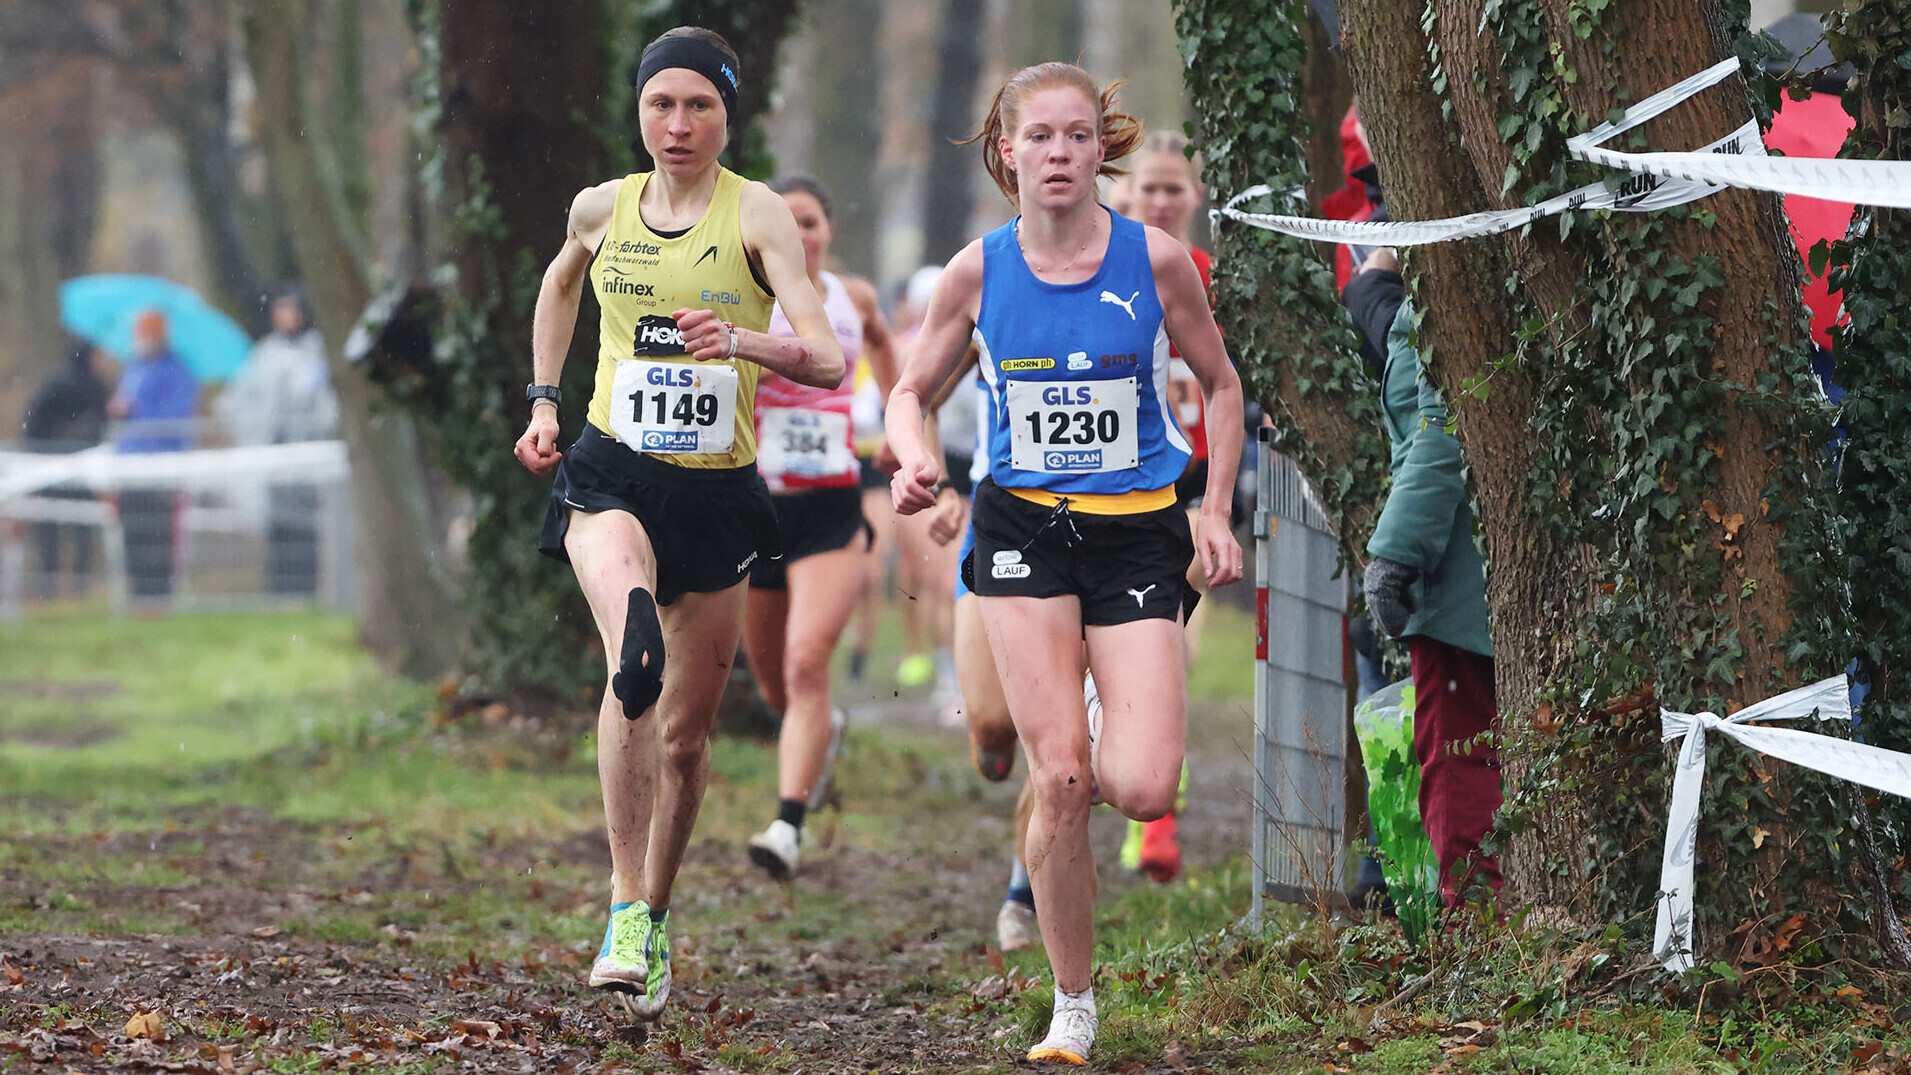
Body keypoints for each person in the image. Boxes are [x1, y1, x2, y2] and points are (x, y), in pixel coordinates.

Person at [886, 62, 1243, 1066]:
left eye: (1077, 136)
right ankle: (1072, 1003)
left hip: (1137, 532)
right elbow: (908, 391)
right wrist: (915, 458)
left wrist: (1212, 510)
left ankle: (1090, 724)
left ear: (1102, 148)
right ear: (1007, 151)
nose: (1057, 154)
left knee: (1143, 786)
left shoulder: (1157, 260)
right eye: (1037, 137)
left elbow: (1218, 385)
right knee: (1062, 777)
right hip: (1024, 532)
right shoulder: (977, 271)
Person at [512, 26, 845, 1023]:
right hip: (612, 467)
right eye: (662, 104)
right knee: (633, 660)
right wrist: (542, 402)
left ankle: (652, 919)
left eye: (698, 105)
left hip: (717, 492)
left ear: (727, 117)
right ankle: (620, 900)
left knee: (689, 744)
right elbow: (562, 279)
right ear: (640, 113)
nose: (678, 123)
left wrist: (740, 340)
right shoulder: (601, 207)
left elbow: (826, 357)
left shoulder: (761, 215)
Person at [742, 175, 898, 879]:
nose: (800, 235)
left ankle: (786, 826)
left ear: (828, 229)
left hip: (831, 507)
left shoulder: (852, 297)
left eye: (809, 222)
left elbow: (888, 350)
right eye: (786, 222)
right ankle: (821, 732)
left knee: (807, 663)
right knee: (776, 684)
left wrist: (899, 418)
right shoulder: (741, 293)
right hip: (754, 506)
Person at [1357, 258, 1503, 913]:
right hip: (1476, 570)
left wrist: (1394, 554)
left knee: (1457, 756)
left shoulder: (1448, 295)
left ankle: (1472, 927)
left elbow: (1437, 439)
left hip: (1456, 576)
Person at [219, 286, 339, 597]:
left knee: (307, 530)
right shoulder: (264, 355)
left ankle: (306, 590)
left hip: (307, 461)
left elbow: (326, 405)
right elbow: (239, 402)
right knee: (279, 529)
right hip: (274, 458)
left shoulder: (316, 352)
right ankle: (280, 591)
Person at [109, 310, 199, 604]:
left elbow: (175, 419)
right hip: (130, 468)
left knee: (159, 537)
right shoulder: (132, 368)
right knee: (133, 536)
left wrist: (135, 411)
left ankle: (160, 598)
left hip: (161, 469)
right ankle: (138, 598)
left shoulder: (177, 371)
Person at [20, 336, 113, 598]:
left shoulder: (97, 387)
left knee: (81, 529)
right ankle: (48, 587)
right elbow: (35, 425)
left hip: (82, 471)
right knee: (50, 529)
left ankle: (79, 586)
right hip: (51, 469)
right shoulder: (58, 384)